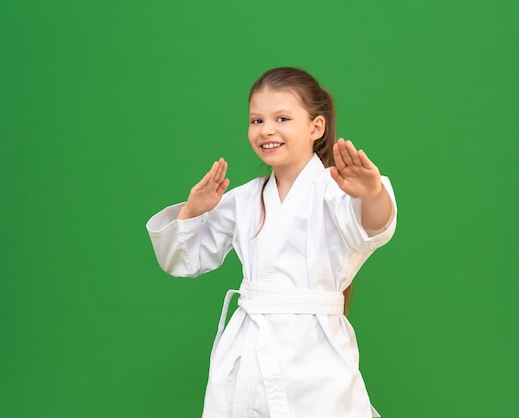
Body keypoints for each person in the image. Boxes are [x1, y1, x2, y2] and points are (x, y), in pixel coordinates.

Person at [146, 67, 397, 418]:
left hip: (314, 354)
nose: (266, 130)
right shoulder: (244, 199)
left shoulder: (335, 188)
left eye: (282, 118)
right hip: (247, 348)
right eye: (256, 120)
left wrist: (372, 194)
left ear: (316, 127)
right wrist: (191, 211)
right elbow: (184, 260)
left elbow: (372, 228)